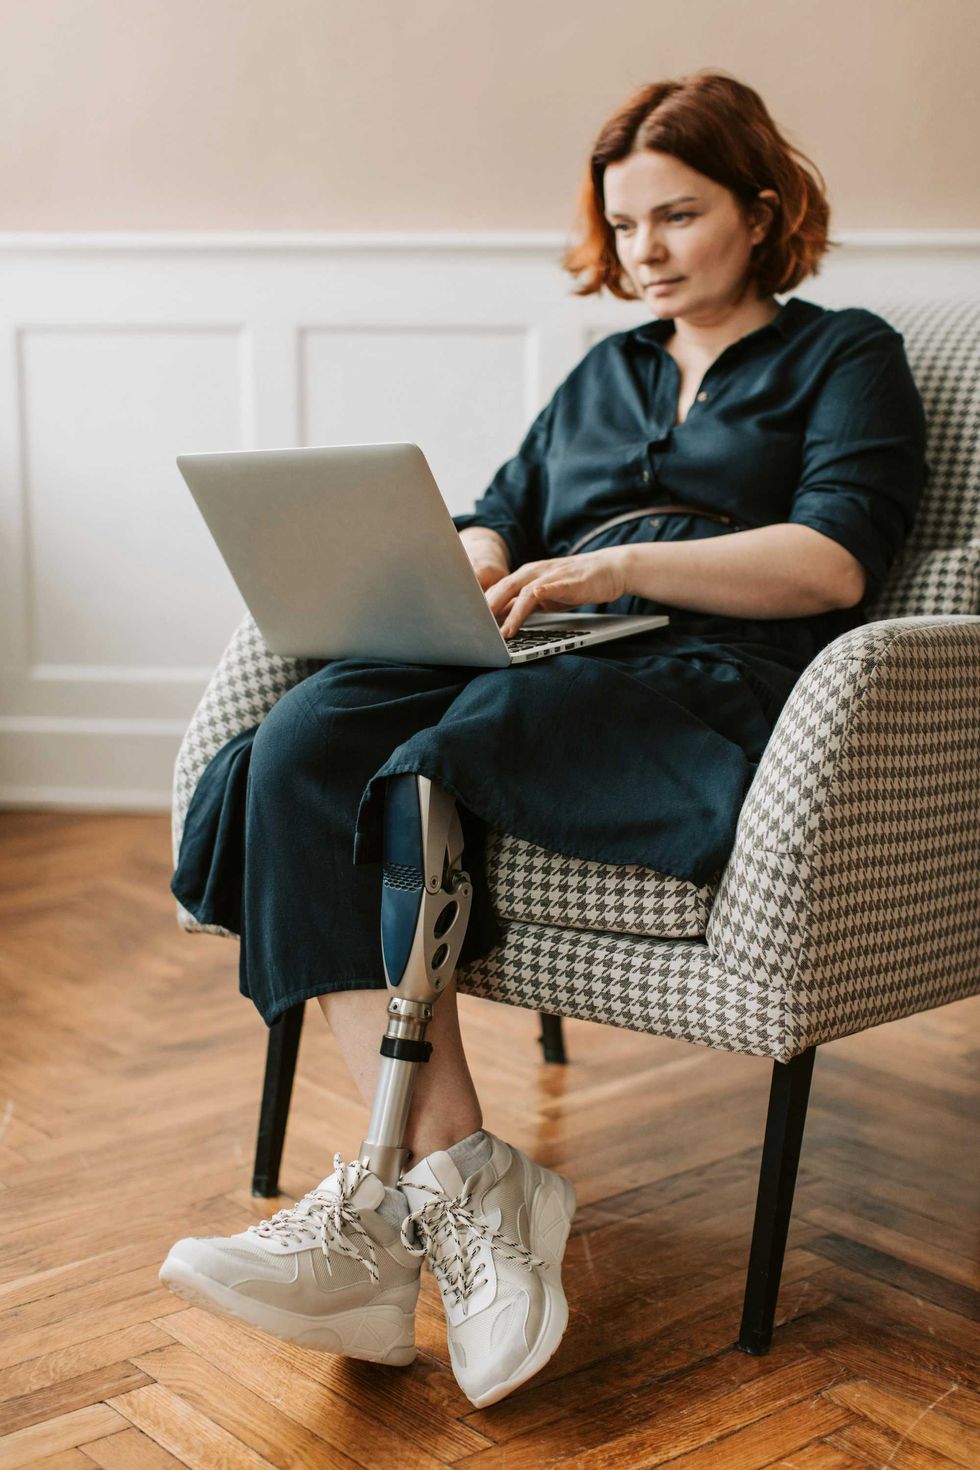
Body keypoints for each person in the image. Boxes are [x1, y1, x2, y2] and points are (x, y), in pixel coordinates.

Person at [160, 69, 928, 1408]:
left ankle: (390, 1204)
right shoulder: (605, 371)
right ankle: (461, 1181)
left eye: (677, 217)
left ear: (760, 208)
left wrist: (617, 570)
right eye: (625, 226)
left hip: (703, 675)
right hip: (541, 653)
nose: (644, 252)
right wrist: (444, 571)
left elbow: (834, 565)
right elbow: (503, 510)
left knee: (449, 743)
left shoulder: (843, 353)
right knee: (295, 748)